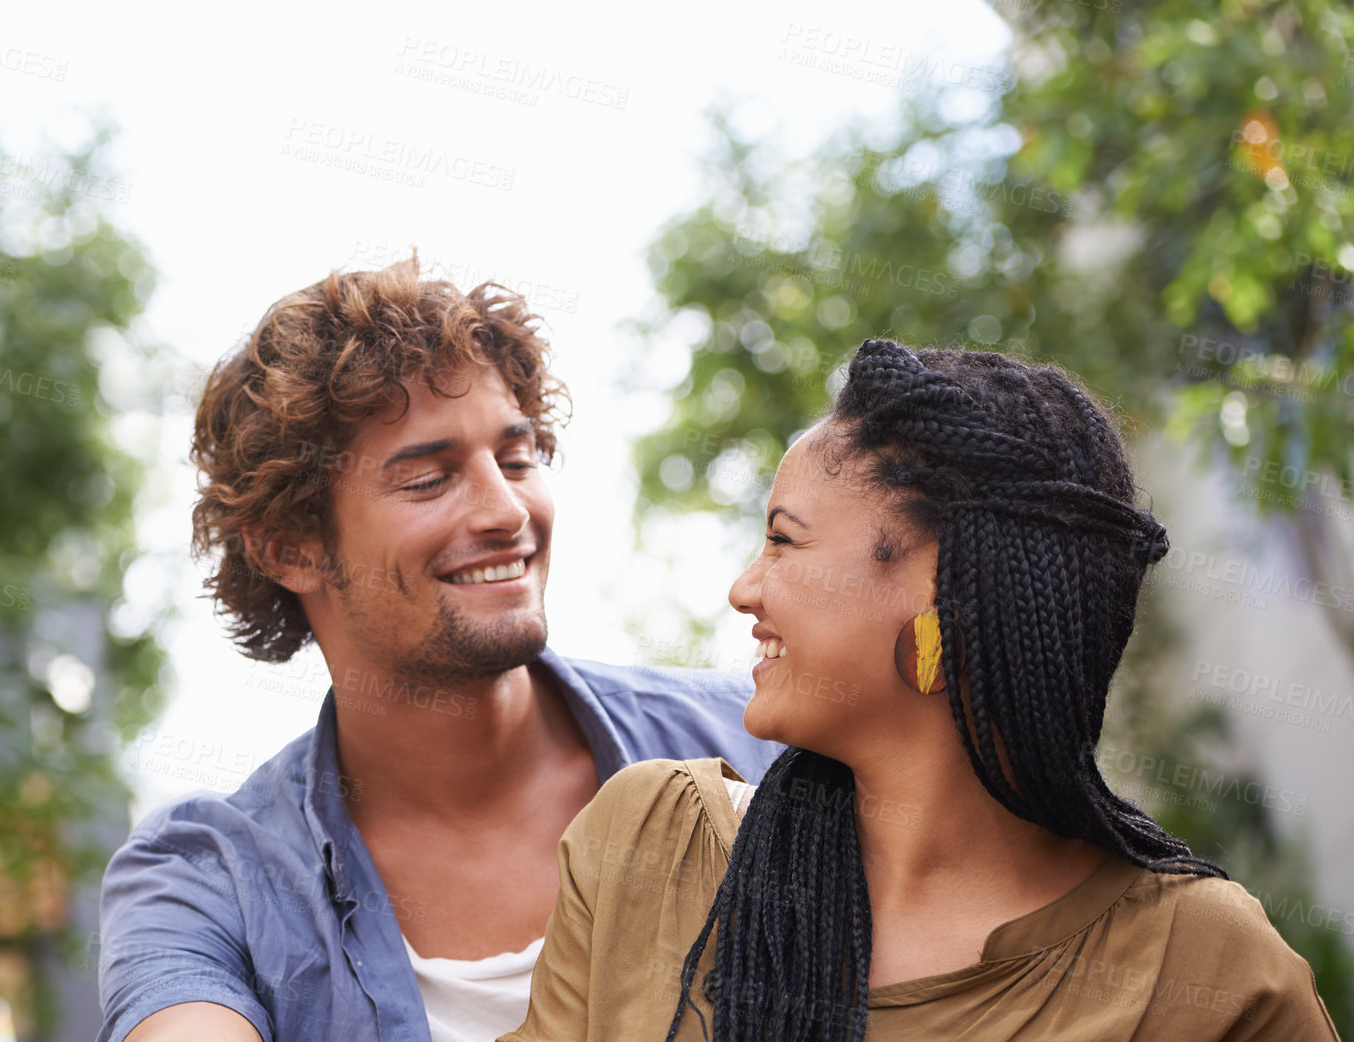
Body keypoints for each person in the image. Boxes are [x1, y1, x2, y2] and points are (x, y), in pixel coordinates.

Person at [504, 339, 1341, 1041]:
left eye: (784, 542)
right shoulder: (652, 847)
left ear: (941, 589)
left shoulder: (1203, 970)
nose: (745, 588)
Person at [94, 256, 782, 1042]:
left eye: (517, 459)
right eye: (428, 480)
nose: (505, 510)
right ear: (289, 548)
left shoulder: (761, 745)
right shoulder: (207, 878)